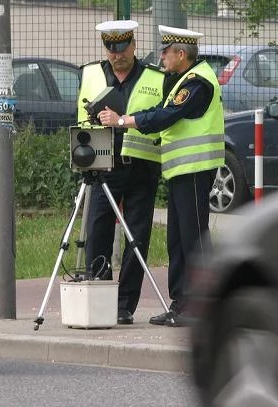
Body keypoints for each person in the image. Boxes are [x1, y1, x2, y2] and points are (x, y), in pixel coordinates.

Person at [98, 25, 225, 327]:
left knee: (194, 240)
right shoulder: (182, 79)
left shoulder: (197, 83)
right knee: (177, 240)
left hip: (195, 169)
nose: (162, 57)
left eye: (166, 51)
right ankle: (181, 304)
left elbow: (166, 116)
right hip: (181, 171)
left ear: (182, 54)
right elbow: (159, 110)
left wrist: (124, 121)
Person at [78, 20, 166, 325]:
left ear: (134, 45)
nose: (117, 55)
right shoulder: (90, 73)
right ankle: (100, 298)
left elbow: (159, 118)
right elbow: (80, 119)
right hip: (104, 166)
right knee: (98, 231)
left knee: (137, 237)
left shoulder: (155, 76)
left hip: (142, 166)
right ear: (106, 48)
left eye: (123, 48)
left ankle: (125, 305)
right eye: (111, 49)